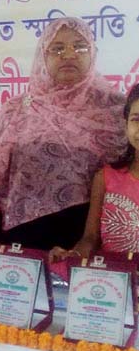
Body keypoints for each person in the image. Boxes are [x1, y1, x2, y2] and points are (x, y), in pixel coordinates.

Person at [0, 17, 126, 250]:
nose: (69, 54)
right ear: (44, 56)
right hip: (19, 242)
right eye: (57, 48)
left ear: (93, 53)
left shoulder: (117, 109)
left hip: (87, 247)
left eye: (80, 46)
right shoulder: (18, 109)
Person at [49, 83, 139, 272]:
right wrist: (73, 256)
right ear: (125, 124)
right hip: (110, 286)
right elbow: (90, 238)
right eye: (136, 119)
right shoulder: (106, 177)